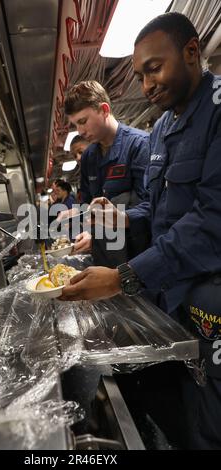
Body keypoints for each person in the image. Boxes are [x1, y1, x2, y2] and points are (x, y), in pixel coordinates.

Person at [61, 12, 221, 449]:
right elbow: (159, 207)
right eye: (139, 75)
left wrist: (122, 278)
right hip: (171, 291)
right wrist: (123, 219)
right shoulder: (166, 125)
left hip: (211, 297)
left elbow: (210, 223)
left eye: (154, 68)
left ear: (192, 52)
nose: (147, 85)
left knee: (211, 422)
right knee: (178, 409)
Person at [64, 80, 150, 267]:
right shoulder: (88, 157)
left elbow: (153, 206)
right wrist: (88, 231)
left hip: (136, 256)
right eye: (75, 125)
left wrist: (122, 218)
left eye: (83, 121)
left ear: (104, 110)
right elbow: (88, 203)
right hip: (104, 256)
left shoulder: (139, 145)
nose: (80, 131)